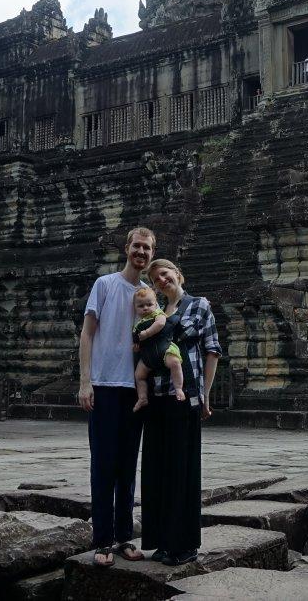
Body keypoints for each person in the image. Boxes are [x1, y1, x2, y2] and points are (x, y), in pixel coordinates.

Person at [77, 226, 155, 568]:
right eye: (137, 246)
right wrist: (85, 381)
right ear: (127, 248)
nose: (141, 253)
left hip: (135, 390)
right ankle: (102, 540)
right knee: (103, 465)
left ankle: (124, 537)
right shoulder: (105, 285)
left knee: (127, 465)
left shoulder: (148, 293)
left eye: (147, 249)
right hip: (105, 385)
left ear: (152, 254)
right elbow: (87, 333)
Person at [140, 257, 221, 567]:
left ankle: (184, 542)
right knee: (156, 467)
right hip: (157, 397)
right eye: (155, 278)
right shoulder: (155, 313)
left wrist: (205, 394)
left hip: (184, 396)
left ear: (178, 274)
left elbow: (212, 351)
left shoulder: (199, 306)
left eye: (165, 273)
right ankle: (162, 540)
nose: (161, 280)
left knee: (182, 469)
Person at [130, 285, 184, 412]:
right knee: (139, 375)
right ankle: (142, 397)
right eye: (141, 306)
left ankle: (178, 388)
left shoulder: (158, 314)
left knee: (175, 363)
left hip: (165, 349)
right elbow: (137, 340)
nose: (145, 308)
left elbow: (160, 324)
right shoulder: (137, 324)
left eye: (149, 304)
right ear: (135, 308)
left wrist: (147, 333)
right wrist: (136, 346)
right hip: (148, 355)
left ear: (156, 304)